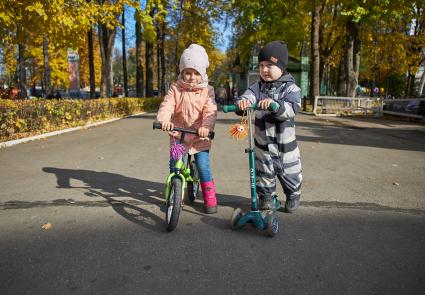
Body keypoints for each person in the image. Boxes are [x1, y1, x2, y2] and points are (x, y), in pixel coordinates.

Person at [235, 40, 302, 213]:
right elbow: (248, 96)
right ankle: (266, 196)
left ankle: (293, 194)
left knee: (289, 171)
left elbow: (291, 109)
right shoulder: (257, 87)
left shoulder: (291, 89)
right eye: (262, 65)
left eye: (270, 65)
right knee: (263, 170)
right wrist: (243, 103)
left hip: (284, 145)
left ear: (282, 67)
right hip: (262, 142)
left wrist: (275, 104)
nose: (264, 70)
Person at [156, 44, 218, 214]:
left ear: (203, 74)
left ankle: (210, 198)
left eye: (196, 73)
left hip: (199, 136)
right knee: (174, 164)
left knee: (203, 166)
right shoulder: (176, 88)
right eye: (188, 72)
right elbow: (167, 105)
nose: (192, 77)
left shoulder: (207, 91)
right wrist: (164, 120)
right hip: (178, 136)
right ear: (182, 72)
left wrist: (206, 127)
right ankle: (175, 195)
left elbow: (210, 111)